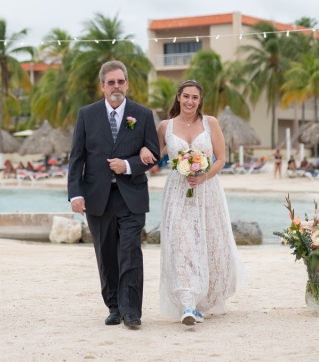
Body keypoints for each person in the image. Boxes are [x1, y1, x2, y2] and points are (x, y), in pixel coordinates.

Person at [141, 79, 246, 325]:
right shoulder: (165, 126)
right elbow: (152, 156)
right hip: (178, 191)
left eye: (195, 98)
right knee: (182, 244)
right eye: (186, 96)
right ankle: (188, 303)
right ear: (178, 97)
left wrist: (203, 176)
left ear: (200, 101)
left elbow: (221, 159)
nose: (190, 101)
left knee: (209, 243)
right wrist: (141, 153)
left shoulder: (210, 123)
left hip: (207, 191)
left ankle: (201, 302)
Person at [67, 61, 160, 329]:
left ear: (127, 84)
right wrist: (75, 194)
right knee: (105, 254)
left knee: (130, 252)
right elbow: (77, 157)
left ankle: (132, 312)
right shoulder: (87, 114)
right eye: (111, 82)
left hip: (132, 196)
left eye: (120, 82)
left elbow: (154, 154)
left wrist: (129, 165)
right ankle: (114, 307)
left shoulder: (142, 114)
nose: (116, 87)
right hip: (97, 196)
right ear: (102, 86)